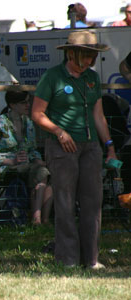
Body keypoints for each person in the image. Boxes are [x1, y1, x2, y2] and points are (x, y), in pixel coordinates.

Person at [32, 31, 116, 269]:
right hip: (62, 146)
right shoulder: (52, 77)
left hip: (91, 147)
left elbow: (98, 116)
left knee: (93, 202)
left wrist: (109, 146)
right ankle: (67, 260)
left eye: (92, 56)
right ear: (71, 53)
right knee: (65, 202)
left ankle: (91, 260)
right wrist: (59, 132)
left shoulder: (92, 78)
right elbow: (37, 114)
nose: (90, 61)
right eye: (85, 55)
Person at [0, 91, 53, 225]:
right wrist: (11, 161)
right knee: (42, 173)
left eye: (28, 101)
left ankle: (43, 219)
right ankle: (37, 218)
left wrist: (38, 160)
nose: (28, 105)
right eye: (23, 102)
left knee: (48, 174)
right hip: (5, 169)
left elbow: (32, 150)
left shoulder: (28, 123)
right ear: (12, 105)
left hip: (28, 167)